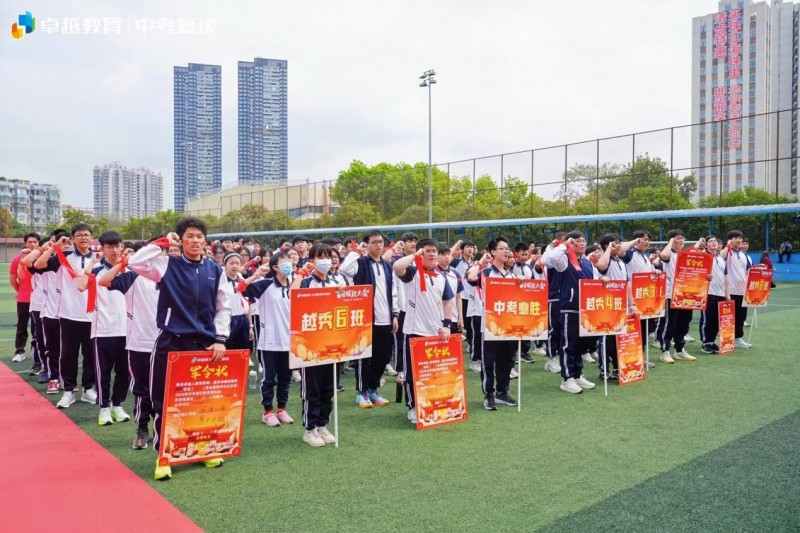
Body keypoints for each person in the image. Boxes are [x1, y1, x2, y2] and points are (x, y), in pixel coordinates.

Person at [127, 217, 231, 481]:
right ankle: (165, 455)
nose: (195, 241)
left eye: (199, 236)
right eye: (189, 236)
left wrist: (220, 338)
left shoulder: (214, 270)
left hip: (204, 345)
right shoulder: (166, 264)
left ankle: (203, 449)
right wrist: (163, 242)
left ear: (205, 241)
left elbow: (223, 307)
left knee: (202, 401)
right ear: (181, 240)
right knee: (165, 401)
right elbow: (135, 262)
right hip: (171, 342)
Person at [99, 240, 159, 450]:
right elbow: (104, 281)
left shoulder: (171, 276)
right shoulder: (133, 276)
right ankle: (142, 428)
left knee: (165, 390)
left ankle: (162, 430)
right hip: (139, 343)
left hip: (167, 343)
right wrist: (123, 263)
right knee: (142, 390)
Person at [34, 224, 98, 409]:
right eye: (79, 235)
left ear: (91, 238)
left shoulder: (98, 258)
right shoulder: (64, 257)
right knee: (68, 355)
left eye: (86, 235)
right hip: (69, 314)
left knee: (90, 355)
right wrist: (55, 246)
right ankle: (68, 391)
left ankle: (88, 389)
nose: (83, 238)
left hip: (93, 316)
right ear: (73, 238)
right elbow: (38, 265)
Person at [393, 238, 453, 423]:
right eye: (428, 251)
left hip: (436, 333)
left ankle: (432, 404)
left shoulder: (441, 277)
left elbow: (447, 301)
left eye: (435, 251)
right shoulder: (413, 273)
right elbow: (397, 267)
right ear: (420, 253)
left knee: (434, 373)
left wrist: (447, 325)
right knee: (412, 374)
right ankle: (413, 406)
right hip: (415, 332)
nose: (432, 254)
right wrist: (415, 255)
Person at [78, 231, 131, 426]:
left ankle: (117, 405)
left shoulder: (131, 270)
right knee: (104, 372)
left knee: (124, 372)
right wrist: (92, 262)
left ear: (122, 246)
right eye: (110, 246)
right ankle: (104, 408)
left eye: (118, 246)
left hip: (128, 330)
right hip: (103, 329)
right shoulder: (97, 270)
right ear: (102, 248)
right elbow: (81, 287)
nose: (115, 250)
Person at [340, 229, 398, 408]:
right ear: (367, 244)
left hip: (385, 318)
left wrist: (395, 314)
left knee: (383, 356)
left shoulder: (387, 265)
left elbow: (393, 291)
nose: (378, 245)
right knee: (363, 357)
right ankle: (362, 391)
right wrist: (357, 250)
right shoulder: (361, 263)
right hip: (365, 319)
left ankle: (373, 389)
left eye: (380, 241)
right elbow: (345, 268)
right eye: (374, 242)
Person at [291, 243, 338, 446]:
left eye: (328, 256)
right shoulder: (305, 282)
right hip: (310, 345)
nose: (326, 261)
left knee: (328, 388)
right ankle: (309, 429)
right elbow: (293, 296)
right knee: (312, 388)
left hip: (333, 343)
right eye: (321, 257)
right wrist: (301, 273)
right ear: (311, 261)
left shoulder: (337, 281)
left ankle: (322, 424)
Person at [241, 252, 295, 429]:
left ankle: (282, 409)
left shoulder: (294, 284)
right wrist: (257, 274)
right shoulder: (265, 284)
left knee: (285, 378)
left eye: (289, 260)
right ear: (275, 267)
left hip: (289, 340)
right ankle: (268, 412)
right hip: (269, 340)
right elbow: (241, 288)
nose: (288, 264)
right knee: (269, 378)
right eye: (283, 261)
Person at [541, 230, 597, 394]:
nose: (581, 243)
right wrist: (565, 244)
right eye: (577, 241)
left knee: (581, 345)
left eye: (583, 240)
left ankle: (578, 374)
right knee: (568, 345)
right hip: (569, 307)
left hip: (585, 309)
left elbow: (593, 281)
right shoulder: (564, 261)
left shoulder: (587, 263)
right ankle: (567, 379)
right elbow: (552, 258)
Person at [466, 237, 519, 409]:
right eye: (502, 248)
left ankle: (502, 392)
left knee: (507, 361)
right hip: (489, 325)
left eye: (507, 248)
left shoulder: (512, 275)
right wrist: (481, 262)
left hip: (508, 325)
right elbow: (471, 277)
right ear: (493, 252)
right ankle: (489, 394)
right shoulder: (486, 273)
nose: (506, 251)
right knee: (489, 362)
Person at [22, 229, 67, 394]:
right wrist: (44, 248)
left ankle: (66, 378)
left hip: (68, 311)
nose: (60, 245)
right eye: (56, 242)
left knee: (67, 348)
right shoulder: (46, 261)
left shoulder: (72, 260)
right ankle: (49, 372)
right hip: (44, 307)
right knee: (45, 343)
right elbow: (27, 262)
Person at [594, 233, 635, 381]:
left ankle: (618, 369)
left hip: (621, 305)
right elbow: (601, 266)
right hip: (608, 305)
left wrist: (632, 304)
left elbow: (627, 284)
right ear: (607, 246)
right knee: (607, 339)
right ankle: (604, 370)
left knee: (620, 338)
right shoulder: (606, 260)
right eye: (614, 243)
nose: (618, 246)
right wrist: (608, 249)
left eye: (618, 243)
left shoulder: (621, 262)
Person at [655, 229, 697, 363]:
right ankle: (665, 351)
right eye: (678, 238)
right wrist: (671, 242)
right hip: (670, 294)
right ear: (671, 240)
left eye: (683, 238)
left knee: (684, 323)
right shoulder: (668, 254)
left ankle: (680, 350)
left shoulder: (684, 255)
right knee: (669, 324)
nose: (682, 241)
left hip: (686, 295)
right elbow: (663, 255)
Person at [9, 232, 40, 365]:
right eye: (30, 242)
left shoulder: (43, 257)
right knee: (22, 326)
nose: (32, 244)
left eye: (35, 242)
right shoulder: (17, 259)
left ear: (38, 243)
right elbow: (13, 279)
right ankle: (19, 351)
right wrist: (21, 291)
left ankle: (37, 352)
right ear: (25, 243)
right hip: (24, 299)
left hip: (40, 300)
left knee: (37, 328)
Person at [720, 230, 752, 349]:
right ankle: (726, 340)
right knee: (728, 317)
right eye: (735, 238)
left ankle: (737, 339)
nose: (739, 240)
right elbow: (720, 257)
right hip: (730, 291)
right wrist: (727, 246)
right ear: (730, 240)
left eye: (740, 238)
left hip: (742, 291)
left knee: (741, 317)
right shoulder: (727, 252)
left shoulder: (744, 255)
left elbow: (749, 272)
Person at [699, 236, 729, 354]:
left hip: (720, 293)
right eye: (710, 241)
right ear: (706, 245)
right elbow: (695, 272)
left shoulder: (721, 259)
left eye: (715, 241)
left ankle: (711, 341)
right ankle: (705, 343)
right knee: (707, 319)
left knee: (717, 320)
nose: (714, 243)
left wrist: (727, 294)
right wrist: (704, 276)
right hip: (707, 293)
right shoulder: (703, 256)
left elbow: (726, 277)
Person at [220, 252, 254, 351]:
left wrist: (250, 326)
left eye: (237, 263)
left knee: (242, 352)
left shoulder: (243, 281)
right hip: (227, 321)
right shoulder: (220, 282)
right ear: (225, 265)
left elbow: (248, 304)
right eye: (231, 263)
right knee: (227, 353)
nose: (235, 266)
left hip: (243, 321)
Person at [542, 231, 566, 374]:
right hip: (554, 297)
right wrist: (554, 245)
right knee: (554, 329)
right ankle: (552, 358)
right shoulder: (552, 254)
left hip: (565, 297)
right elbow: (545, 260)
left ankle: (562, 357)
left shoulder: (568, 256)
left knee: (564, 330)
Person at [511, 242, 535, 364]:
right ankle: (513, 353)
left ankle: (524, 351)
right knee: (514, 328)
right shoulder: (511, 267)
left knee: (526, 327)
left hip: (526, 302)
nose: (525, 257)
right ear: (516, 254)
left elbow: (534, 284)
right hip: (513, 302)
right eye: (522, 255)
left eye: (526, 255)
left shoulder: (529, 268)